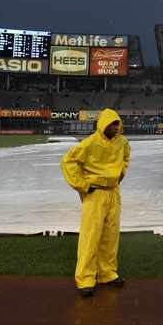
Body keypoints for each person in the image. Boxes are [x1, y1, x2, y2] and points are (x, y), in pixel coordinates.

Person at [60, 108, 131, 297]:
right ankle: (85, 279)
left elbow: (126, 158)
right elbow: (68, 162)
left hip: (113, 193)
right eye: (111, 124)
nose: (115, 128)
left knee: (110, 236)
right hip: (95, 194)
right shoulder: (89, 143)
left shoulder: (122, 142)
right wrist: (82, 185)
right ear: (102, 125)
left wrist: (121, 173)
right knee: (91, 237)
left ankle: (107, 273)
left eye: (117, 124)